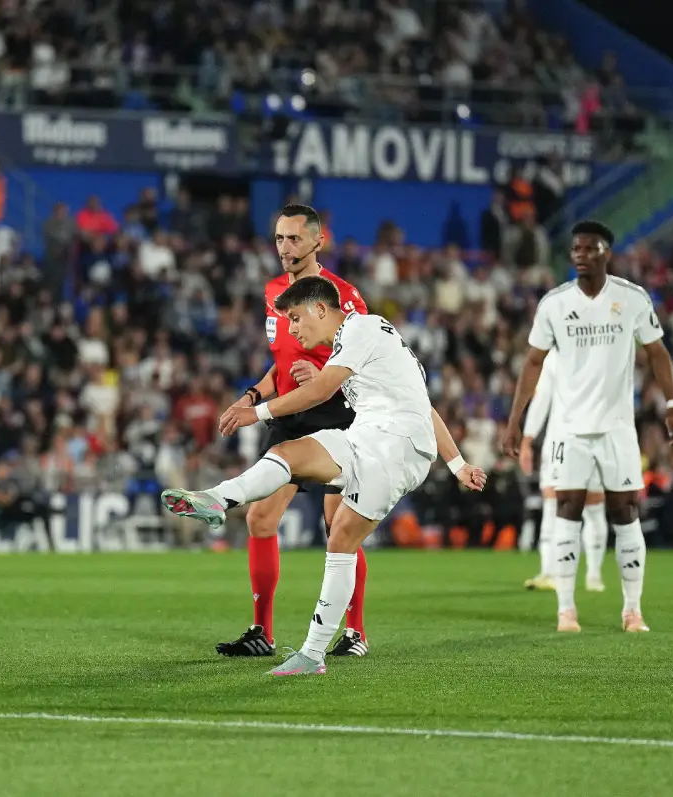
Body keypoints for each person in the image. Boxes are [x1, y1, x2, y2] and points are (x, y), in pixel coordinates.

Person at [161, 276, 486, 675]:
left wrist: (257, 412)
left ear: (320, 309)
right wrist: (458, 465)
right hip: (365, 437)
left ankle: (315, 653)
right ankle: (218, 500)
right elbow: (424, 405)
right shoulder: (358, 342)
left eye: (296, 318)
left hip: (397, 451)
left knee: (342, 538)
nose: (293, 329)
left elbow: (323, 394)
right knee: (288, 453)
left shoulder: (363, 327)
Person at [502, 220, 673, 634]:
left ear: (607, 252)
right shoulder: (553, 303)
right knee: (567, 510)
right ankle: (566, 610)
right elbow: (533, 363)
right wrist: (516, 422)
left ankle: (632, 610)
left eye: (589, 248)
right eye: (576, 249)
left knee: (625, 512)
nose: (580, 254)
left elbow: (657, 352)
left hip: (618, 428)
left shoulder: (632, 299)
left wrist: (672, 403)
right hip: (568, 428)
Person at [216, 203, 373, 660]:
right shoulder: (273, 293)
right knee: (259, 518)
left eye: (295, 239)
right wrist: (251, 395)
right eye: (280, 238)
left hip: (334, 413)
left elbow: (363, 357)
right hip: (286, 414)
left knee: (339, 526)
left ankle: (355, 632)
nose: (285, 248)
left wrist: (322, 369)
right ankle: (261, 631)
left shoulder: (344, 296)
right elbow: (281, 362)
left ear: (317, 242)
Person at [519, 353, 608, 593]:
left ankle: (593, 573)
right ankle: (551, 572)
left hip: (592, 437)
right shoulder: (557, 355)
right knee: (553, 505)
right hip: (562, 440)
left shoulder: (602, 348)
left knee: (592, 506)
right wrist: (527, 438)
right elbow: (542, 397)